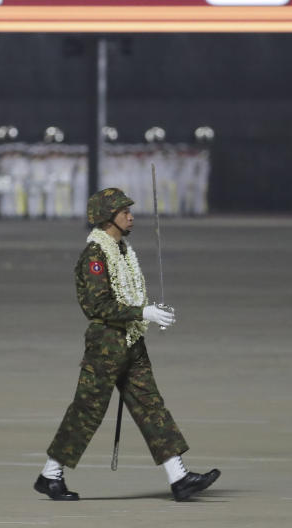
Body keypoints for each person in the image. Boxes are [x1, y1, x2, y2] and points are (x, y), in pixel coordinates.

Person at [35, 188, 220, 502]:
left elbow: (128, 294)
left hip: (131, 340)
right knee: (87, 411)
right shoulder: (95, 255)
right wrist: (142, 311)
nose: (130, 216)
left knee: (151, 407)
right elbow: (98, 307)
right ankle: (50, 474)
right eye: (123, 212)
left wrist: (147, 311)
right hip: (106, 345)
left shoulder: (121, 250)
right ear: (108, 218)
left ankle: (179, 476)